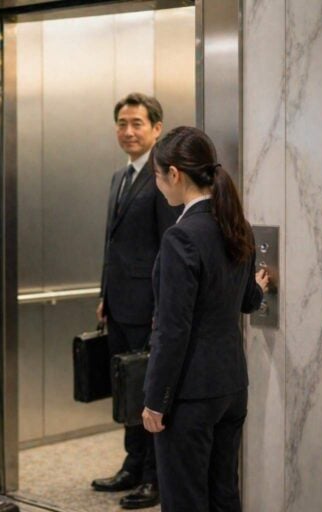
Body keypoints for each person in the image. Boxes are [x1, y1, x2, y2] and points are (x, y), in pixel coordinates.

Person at [142, 126, 269, 511]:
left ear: (175, 174)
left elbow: (173, 328)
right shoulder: (235, 225)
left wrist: (155, 400)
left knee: (185, 501)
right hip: (231, 386)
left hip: (190, 394)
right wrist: (260, 285)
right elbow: (248, 301)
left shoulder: (182, 237)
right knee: (223, 495)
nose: (159, 185)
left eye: (158, 175)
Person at [93, 92, 180, 509]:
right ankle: (131, 465)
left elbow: (168, 247)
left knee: (150, 395)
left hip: (148, 307)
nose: (128, 131)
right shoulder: (119, 177)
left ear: (157, 129)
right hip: (118, 306)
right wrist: (103, 295)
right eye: (122, 123)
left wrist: (161, 308)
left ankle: (153, 479)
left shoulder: (163, 178)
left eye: (137, 124)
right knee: (126, 390)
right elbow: (113, 245)